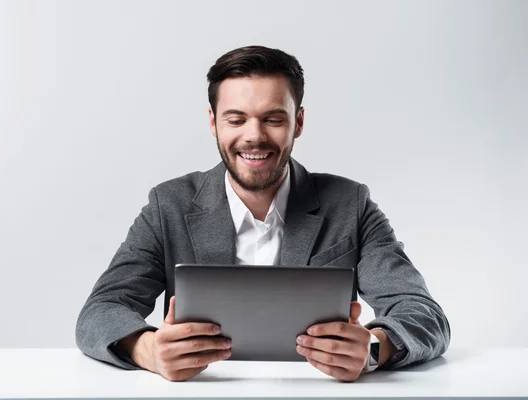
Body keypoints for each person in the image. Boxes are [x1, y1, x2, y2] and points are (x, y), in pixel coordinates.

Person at [75, 45, 450, 382]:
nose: (254, 136)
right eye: (236, 120)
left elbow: (423, 313)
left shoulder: (350, 203)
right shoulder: (167, 206)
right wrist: (150, 351)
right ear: (213, 122)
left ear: (298, 122)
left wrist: (372, 348)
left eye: (272, 119)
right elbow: (100, 312)